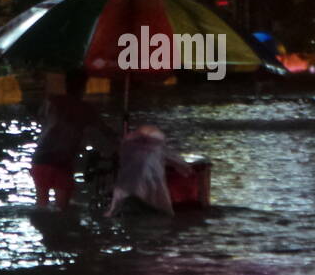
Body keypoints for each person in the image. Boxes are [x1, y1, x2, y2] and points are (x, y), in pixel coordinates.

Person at [31, 69, 115, 212]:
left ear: (65, 84)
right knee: (62, 208)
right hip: (62, 161)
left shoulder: (51, 101)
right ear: (84, 86)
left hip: (41, 158)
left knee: (41, 205)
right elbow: (105, 132)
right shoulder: (85, 109)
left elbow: (42, 120)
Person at [105, 124, 195, 217]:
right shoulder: (157, 147)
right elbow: (176, 160)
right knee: (164, 210)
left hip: (127, 188)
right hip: (149, 188)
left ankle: (113, 212)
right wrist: (186, 169)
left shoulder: (128, 146)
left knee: (117, 207)